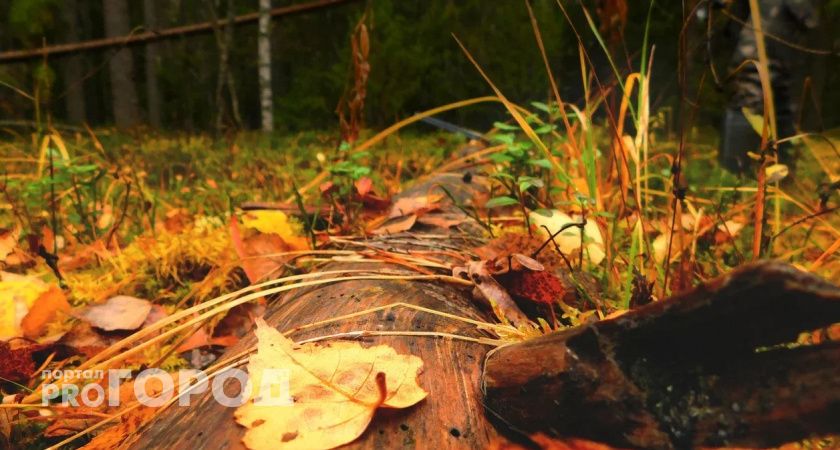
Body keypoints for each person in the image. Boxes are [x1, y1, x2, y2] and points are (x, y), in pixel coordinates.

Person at [718, 0, 818, 173]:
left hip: (787, 39)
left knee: (782, 104)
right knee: (750, 92)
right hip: (764, 34)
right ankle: (734, 175)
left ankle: (780, 178)